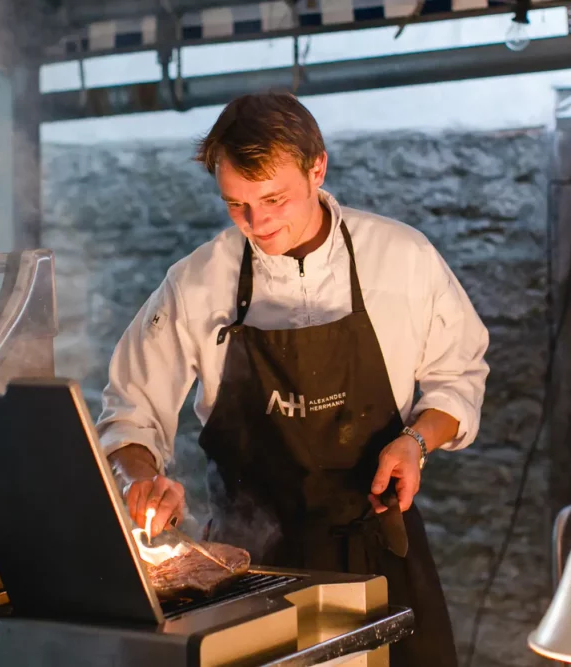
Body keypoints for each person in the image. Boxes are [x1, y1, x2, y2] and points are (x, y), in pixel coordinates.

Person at [95, 91, 489, 666]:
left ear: (317, 167)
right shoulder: (198, 281)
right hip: (247, 565)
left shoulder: (402, 257)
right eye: (237, 205)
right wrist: (140, 480)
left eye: (274, 198)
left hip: (378, 553)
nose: (258, 222)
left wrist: (417, 439)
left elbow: (459, 375)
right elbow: (130, 411)